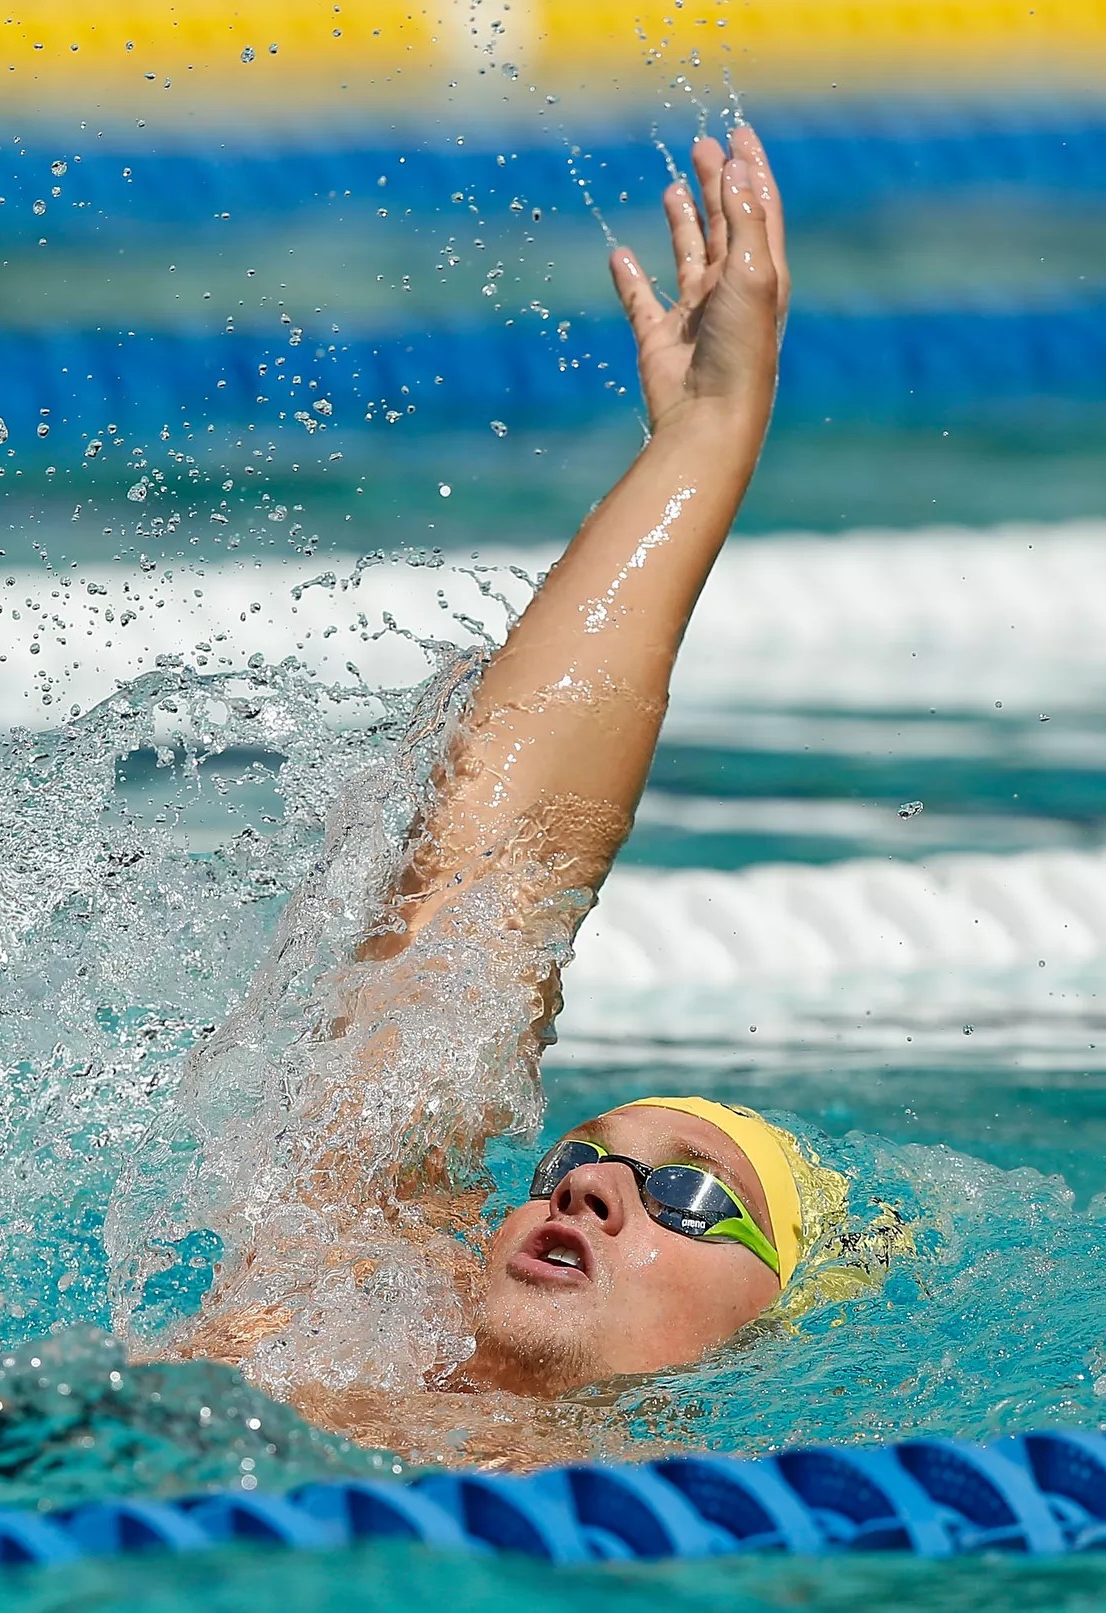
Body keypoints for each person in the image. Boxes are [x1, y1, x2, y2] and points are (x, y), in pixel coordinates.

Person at [166, 125, 849, 1460]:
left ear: (768, 1324)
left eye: (691, 1199)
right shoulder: (332, 1305)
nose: (595, 1183)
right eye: (576, 1161)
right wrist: (707, 438)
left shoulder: (680, 1531)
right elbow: (492, 877)